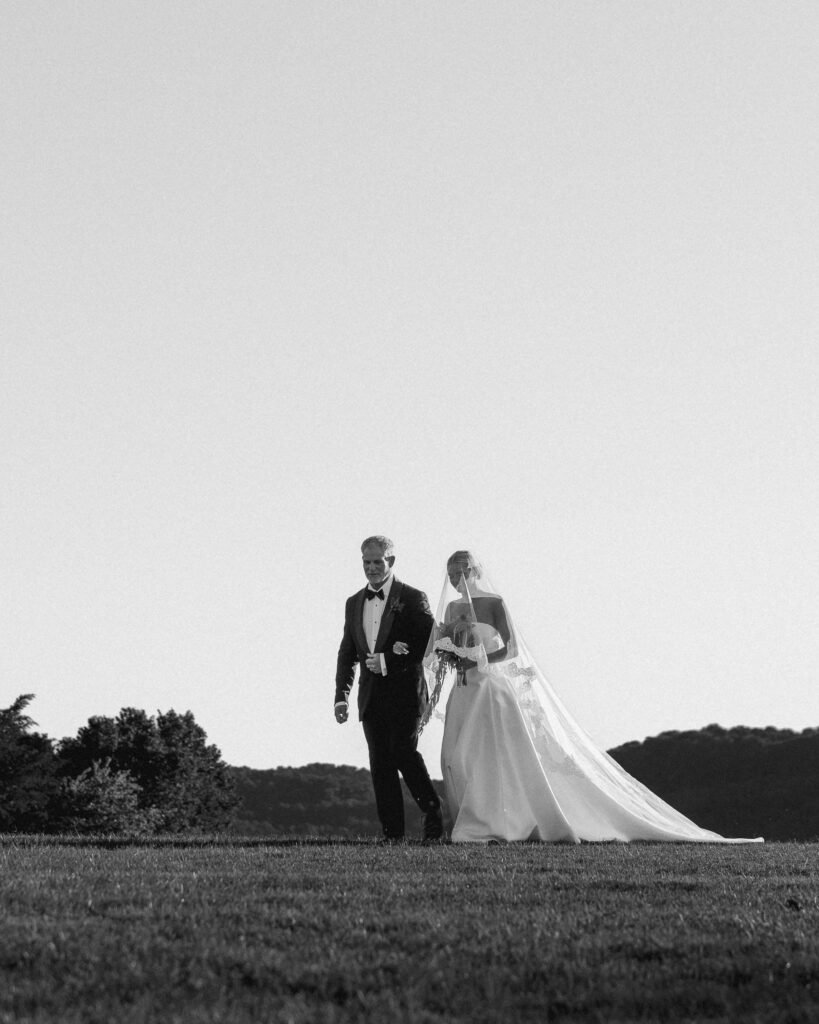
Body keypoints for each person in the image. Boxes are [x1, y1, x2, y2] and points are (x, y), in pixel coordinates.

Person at [420, 550, 762, 845]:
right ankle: (472, 817)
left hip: (491, 690)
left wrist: (480, 658)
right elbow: (446, 646)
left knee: (492, 757)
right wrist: (452, 656)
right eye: (451, 574)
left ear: (475, 570)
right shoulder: (451, 609)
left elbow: (509, 649)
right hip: (464, 690)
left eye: (461, 571)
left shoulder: (494, 604)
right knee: (459, 754)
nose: (456, 579)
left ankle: (498, 821)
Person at [335, 535, 443, 842]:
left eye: (377, 562)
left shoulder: (412, 597)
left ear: (391, 562)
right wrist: (340, 697)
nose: (371, 568)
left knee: (403, 752)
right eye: (366, 562)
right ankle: (392, 835)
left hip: (406, 694)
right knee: (380, 764)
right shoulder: (354, 603)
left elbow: (427, 643)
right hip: (371, 698)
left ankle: (432, 809)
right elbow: (347, 652)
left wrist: (388, 661)